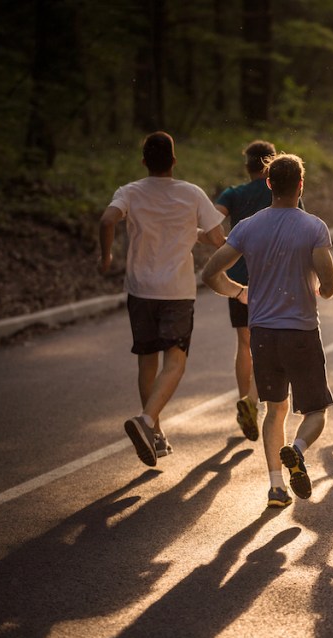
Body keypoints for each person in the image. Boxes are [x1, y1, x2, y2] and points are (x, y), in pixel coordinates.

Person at [201, 153, 333, 509]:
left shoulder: (247, 227)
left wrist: (238, 292)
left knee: (274, 409)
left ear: (268, 184)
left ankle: (277, 486)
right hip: (302, 332)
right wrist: (322, 290)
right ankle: (296, 450)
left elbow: (210, 273)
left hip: (262, 331)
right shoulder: (314, 228)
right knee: (315, 410)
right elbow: (329, 282)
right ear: (300, 185)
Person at [98, 131, 226, 466]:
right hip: (176, 292)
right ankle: (146, 421)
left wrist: (105, 256)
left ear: (144, 162)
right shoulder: (191, 193)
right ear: (174, 160)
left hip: (140, 289)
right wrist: (199, 235)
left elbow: (107, 219)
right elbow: (217, 238)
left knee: (147, 359)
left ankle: (154, 433)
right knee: (176, 361)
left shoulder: (130, 192)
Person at [214, 140, 277, 442]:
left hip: (238, 279)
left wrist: (225, 245)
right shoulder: (278, 189)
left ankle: (244, 400)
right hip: (271, 279)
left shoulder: (233, 194)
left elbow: (211, 223)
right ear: (270, 164)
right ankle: (251, 402)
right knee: (266, 343)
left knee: (244, 341)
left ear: (247, 166)